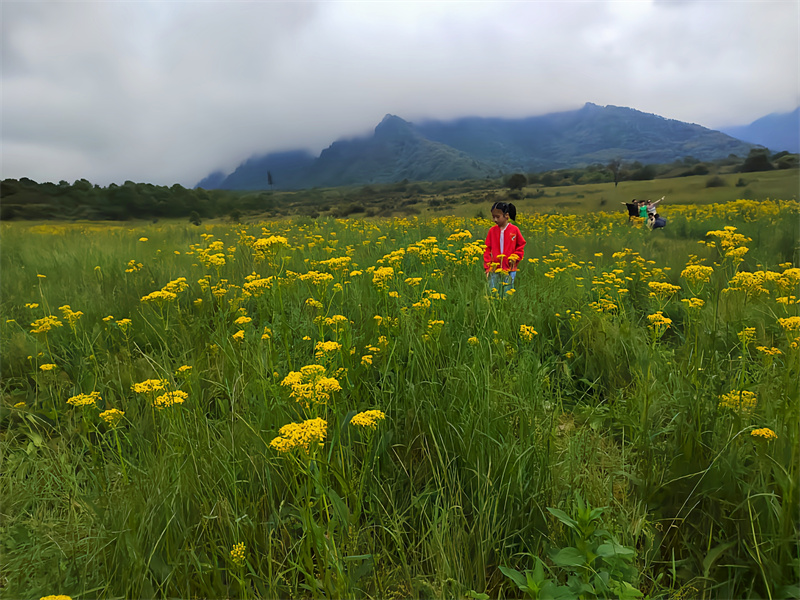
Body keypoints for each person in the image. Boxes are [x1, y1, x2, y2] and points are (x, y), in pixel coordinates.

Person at [484, 201, 526, 293]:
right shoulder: (492, 231)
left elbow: (521, 245)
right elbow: (487, 249)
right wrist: (488, 267)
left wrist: (515, 258)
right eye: (493, 217)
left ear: (506, 215)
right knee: (493, 293)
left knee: (507, 293)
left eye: (497, 217)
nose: (495, 219)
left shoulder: (514, 230)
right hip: (494, 269)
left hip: (510, 269)